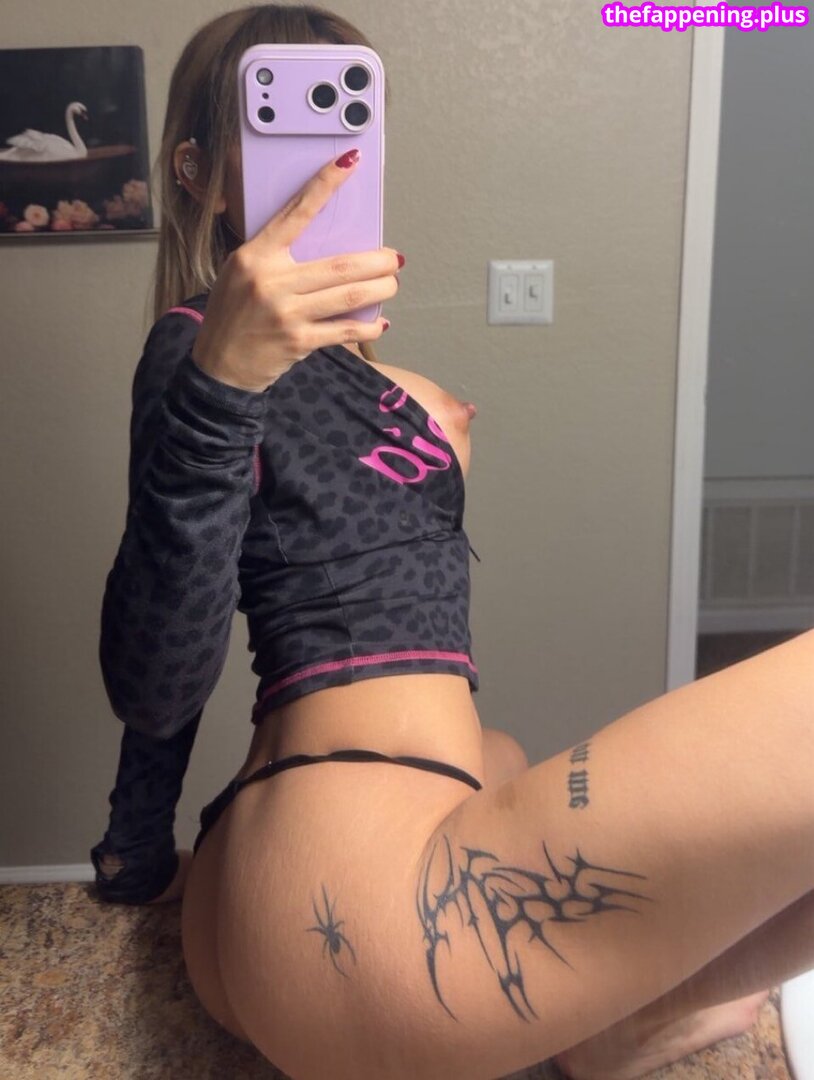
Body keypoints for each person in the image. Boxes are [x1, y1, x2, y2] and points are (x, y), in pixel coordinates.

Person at [90, 5, 814, 1079]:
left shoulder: (327, 360)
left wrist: (138, 851)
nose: (328, 155)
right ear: (197, 172)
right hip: (355, 893)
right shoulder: (200, 351)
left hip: (311, 869)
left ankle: (612, 1027)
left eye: (352, 117)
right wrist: (221, 385)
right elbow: (157, 678)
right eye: (276, 116)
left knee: (514, 759)